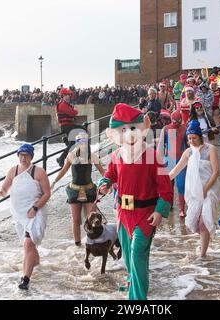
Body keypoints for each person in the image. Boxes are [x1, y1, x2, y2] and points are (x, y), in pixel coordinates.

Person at [98, 103, 173, 300]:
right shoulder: (116, 155)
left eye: (133, 129)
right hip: (123, 213)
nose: (129, 135)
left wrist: (160, 211)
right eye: (123, 130)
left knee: (138, 252)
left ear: (141, 129)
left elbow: (166, 189)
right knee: (129, 258)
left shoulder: (153, 155)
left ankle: (137, 299)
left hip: (145, 215)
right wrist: (104, 183)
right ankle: (133, 280)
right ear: (115, 134)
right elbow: (110, 174)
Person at [0, 144, 51, 290]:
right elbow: (5, 187)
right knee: (29, 245)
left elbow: (47, 194)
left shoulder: (38, 172)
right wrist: (1, 191)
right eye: (21, 155)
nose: (23, 158)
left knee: (28, 244)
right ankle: (36, 264)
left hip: (36, 212)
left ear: (31, 157)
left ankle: (25, 279)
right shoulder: (13, 170)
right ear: (18, 156)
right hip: (19, 214)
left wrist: (35, 208)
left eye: (26, 155)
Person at [169, 120, 220, 258]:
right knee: (194, 223)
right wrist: (161, 181)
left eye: (194, 137)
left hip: (209, 189)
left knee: (204, 222)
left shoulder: (210, 149)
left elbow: (216, 172)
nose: (191, 140)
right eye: (189, 138)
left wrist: (204, 190)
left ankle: (202, 255)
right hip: (193, 191)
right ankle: (205, 237)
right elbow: (176, 170)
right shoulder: (188, 152)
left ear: (200, 136)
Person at [51, 133, 106, 246]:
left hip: (89, 189)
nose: (82, 144)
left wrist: (108, 182)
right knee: (75, 220)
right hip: (74, 190)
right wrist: (54, 182)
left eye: (84, 142)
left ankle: (93, 241)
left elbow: (102, 171)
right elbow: (63, 170)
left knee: (93, 218)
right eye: (79, 142)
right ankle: (77, 244)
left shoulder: (92, 156)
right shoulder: (71, 156)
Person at [157, 110, 188, 217]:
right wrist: (158, 161)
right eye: (174, 122)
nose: (176, 124)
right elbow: (161, 145)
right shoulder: (166, 129)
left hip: (181, 161)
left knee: (181, 185)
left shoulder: (185, 129)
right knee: (168, 185)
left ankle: (181, 209)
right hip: (168, 161)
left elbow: (189, 146)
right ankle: (169, 205)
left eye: (178, 122)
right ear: (171, 120)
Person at [55, 87, 85, 167]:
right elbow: (72, 113)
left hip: (69, 125)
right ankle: (61, 158)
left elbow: (72, 113)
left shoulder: (66, 104)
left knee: (83, 129)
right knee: (73, 142)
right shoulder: (62, 105)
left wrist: (74, 112)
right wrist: (75, 111)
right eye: (66, 95)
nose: (68, 96)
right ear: (62, 96)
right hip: (66, 126)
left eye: (68, 95)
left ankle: (67, 141)